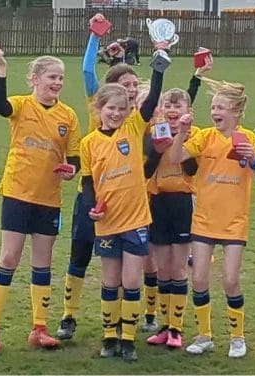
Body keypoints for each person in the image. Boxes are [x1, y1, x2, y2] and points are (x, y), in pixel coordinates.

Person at [56, 12, 165, 341]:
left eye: (135, 86)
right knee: (80, 256)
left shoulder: (136, 122)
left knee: (121, 267)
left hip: (129, 201)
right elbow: (88, 70)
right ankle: (69, 316)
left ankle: (121, 325)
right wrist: (95, 37)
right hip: (92, 197)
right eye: (126, 85)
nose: (131, 90)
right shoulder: (98, 109)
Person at [0, 44, 81, 353]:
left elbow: (75, 157)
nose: (57, 83)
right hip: (17, 192)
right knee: (9, 258)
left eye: (61, 78)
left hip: (49, 198)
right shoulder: (22, 105)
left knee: (43, 263)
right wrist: (0, 69)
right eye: (52, 76)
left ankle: (39, 328)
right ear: (34, 79)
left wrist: (70, 170)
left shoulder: (68, 116)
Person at [169, 78, 255, 358]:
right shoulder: (204, 137)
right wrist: (181, 133)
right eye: (213, 107)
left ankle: (237, 337)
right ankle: (204, 335)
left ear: (236, 112)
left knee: (230, 280)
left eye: (221, 107)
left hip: (234, 222)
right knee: (199, 278)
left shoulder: (247, 139)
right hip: (204, 221)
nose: (215, 112)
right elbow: (176, 158)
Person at [80, 83, 151, 362]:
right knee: (111, 281)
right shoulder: (89, 143)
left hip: (135, 219)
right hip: (107, 222)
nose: (116, 113)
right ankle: (109, 336)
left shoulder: (132, 129)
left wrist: (159, 66)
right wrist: (91, 210)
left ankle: (129, 340)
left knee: (131, 280)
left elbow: (152, 98)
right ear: (99, 109)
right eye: (110, 108)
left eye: (122, 109)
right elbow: (87, 183)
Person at [143, 89, 199, 349]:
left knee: (178, 268)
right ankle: (165, 326)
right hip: (159, 203)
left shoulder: (196, 136)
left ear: (189, 111)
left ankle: (177, 328)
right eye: (168, 105)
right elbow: (146, 170)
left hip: (182, 203)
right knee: (163, 268)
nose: (173, 110)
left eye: (179, 106)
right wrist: (156, 149)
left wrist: (181, 137)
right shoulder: (154, 132)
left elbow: (192, 168)